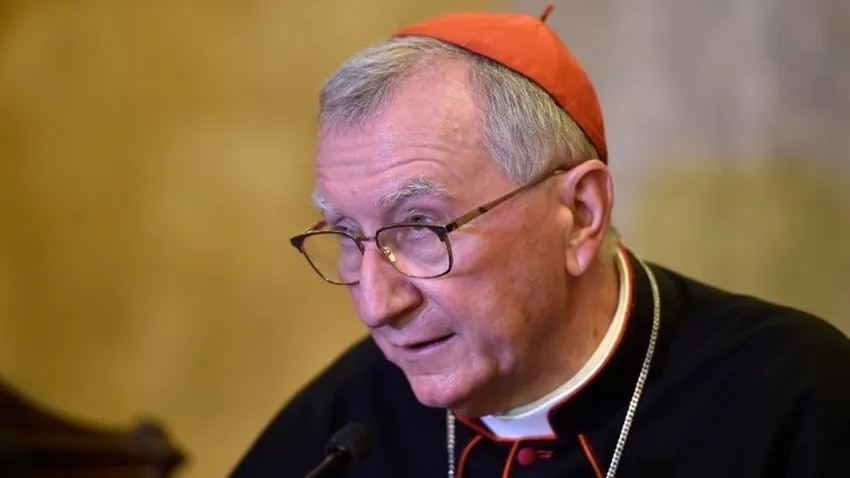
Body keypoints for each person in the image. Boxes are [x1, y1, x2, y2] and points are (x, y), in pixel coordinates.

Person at [230, 7, 850, 478]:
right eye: (346, 234)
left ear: (580, 214)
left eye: (420, 227)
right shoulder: (345, 418)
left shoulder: (791, 397)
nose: (376, 304)